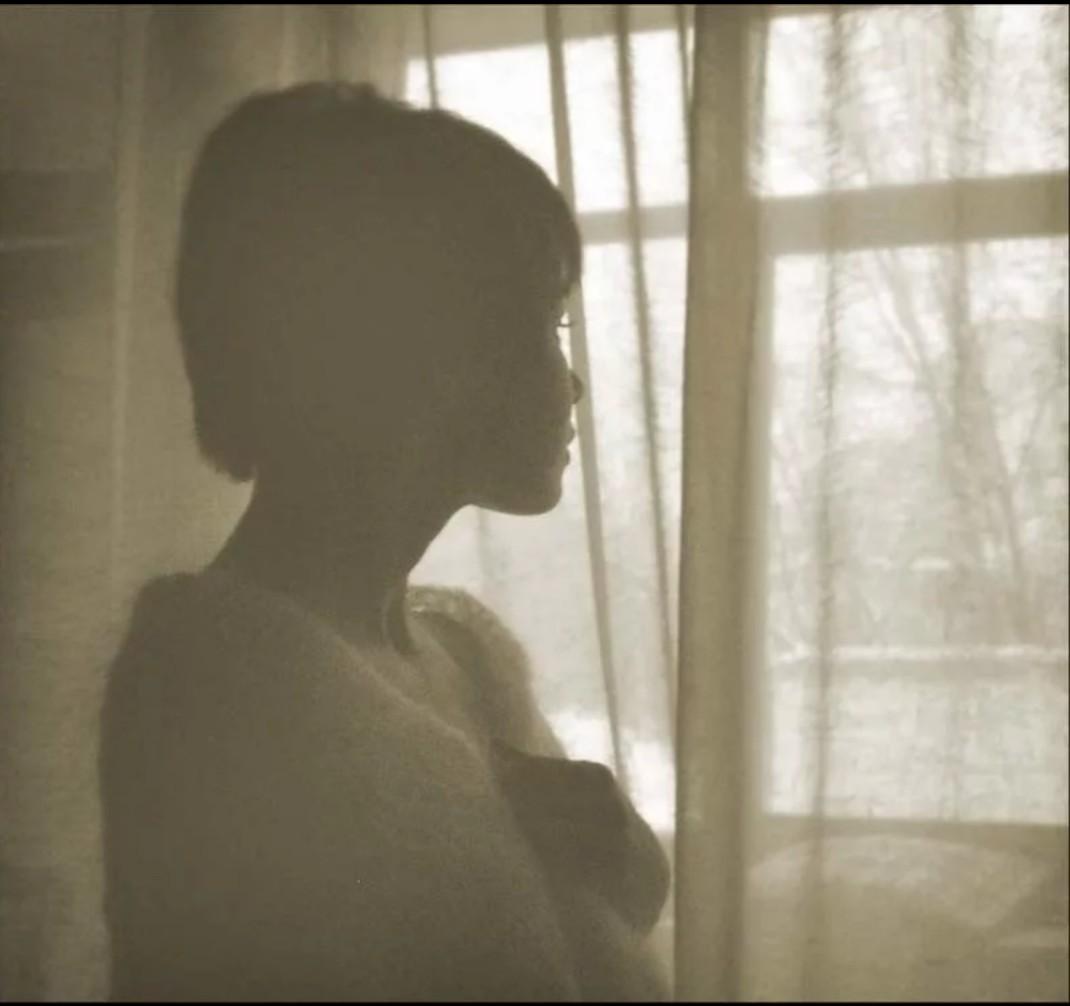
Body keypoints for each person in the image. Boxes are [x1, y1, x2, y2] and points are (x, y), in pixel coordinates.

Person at [99, 83, 669, 1002]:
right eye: (547, 322)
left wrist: (626, 854)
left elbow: (587, 918)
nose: (573, 383)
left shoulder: (465, 655)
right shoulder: (219, 683)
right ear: (428, 346)